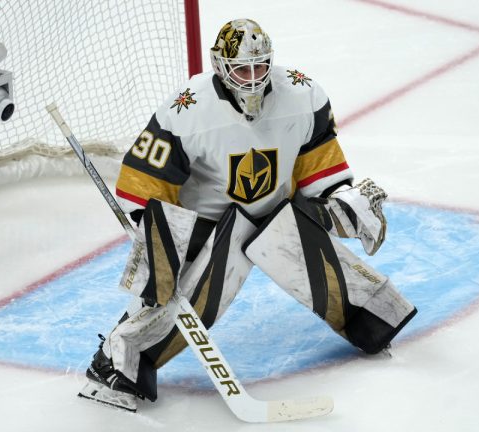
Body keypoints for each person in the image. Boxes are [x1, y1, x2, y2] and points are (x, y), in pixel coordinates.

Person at [78, 18, 417, 412]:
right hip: (208, 224)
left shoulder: (303, 95)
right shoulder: (185, 109)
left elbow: (319, 170)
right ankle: (118, 364)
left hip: (278, 210)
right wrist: (157, 243)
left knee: (308, 249)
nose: (253, 79)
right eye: (242, 69)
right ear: (220, 66)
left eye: (260, 67)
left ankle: (371, 317)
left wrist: (346, 206)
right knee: (189, 297)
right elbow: (144, 183)